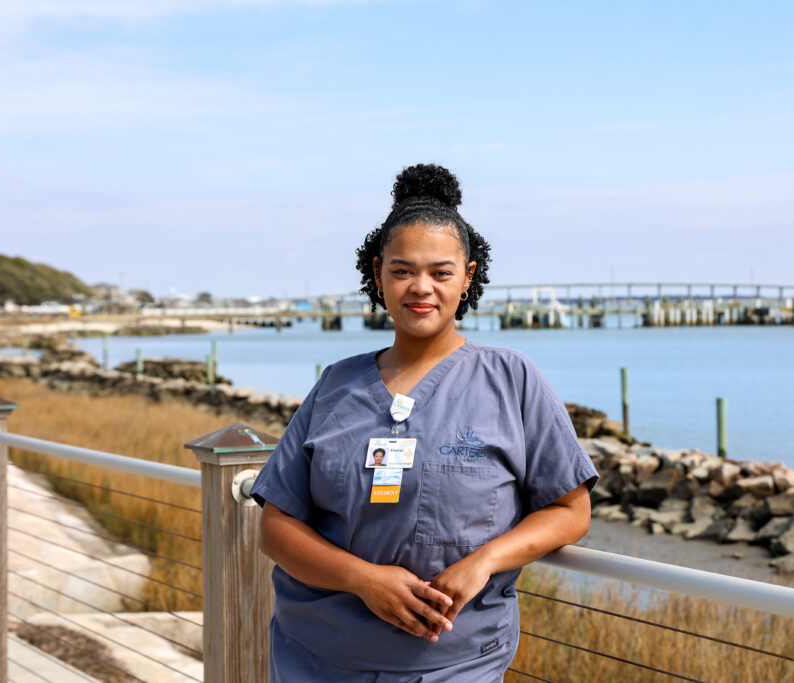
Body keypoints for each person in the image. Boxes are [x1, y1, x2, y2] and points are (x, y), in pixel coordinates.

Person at [251, 163, 598, 682]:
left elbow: (571, 510)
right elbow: (277, 526)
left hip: (456, 662)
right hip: (315, 656)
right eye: (402, 270)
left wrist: (486, 560)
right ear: (377, 274)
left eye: (440, 272)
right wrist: (365, 580)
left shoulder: (512, 378)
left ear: (468, 276)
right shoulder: (336, 385)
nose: (421, 288)